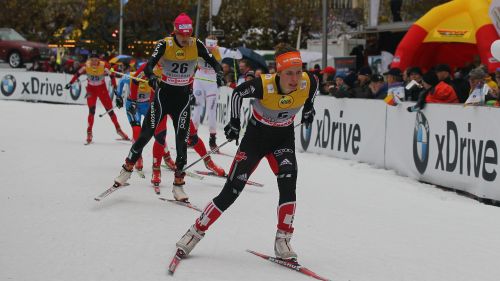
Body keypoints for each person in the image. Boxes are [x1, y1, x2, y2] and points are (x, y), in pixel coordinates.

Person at [175, 43, 318, 261]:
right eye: (289, 73)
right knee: (231, 191)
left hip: (283, 138)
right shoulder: (264, 85)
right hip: (255, 139)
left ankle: (283, 239)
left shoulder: (309, 81)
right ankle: (194, 232)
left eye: (298, 72)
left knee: (289, 184)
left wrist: (309, 108)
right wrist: (234, 122)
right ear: (278, 72)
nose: (295, 79)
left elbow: (313, 88)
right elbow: (237, 94)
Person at [112, 13, 224, 201]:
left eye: (188, 35)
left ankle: (178, 186)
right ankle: (126, 169)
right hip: (163, 98)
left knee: (182, 143)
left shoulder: (196, 44)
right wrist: (153, 78)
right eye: (182, 35)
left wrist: (219, 73)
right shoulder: (165, 44)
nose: (186, 39)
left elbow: (213, 61)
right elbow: (148, 67)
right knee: (145, 135)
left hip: (182, 101)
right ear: (175, 32)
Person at [65, 50, 128, 144]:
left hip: (102, 90)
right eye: (92, 60)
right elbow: (77, 74)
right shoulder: (86, 65)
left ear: (99, 59)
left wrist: (115, 87)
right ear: (90, 60)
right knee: (91, 111)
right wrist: (70, 83)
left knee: (110, 111)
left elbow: (112, 75)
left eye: (96, 60)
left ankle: (119, 130)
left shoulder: (104, 65)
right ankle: (89, 132)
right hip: (91, 90)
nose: (94, 62)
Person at [192, 36, 222, 150]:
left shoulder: (219, 51)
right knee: (197, 108)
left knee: (212, 111)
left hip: (212, 83)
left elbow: (237, 55)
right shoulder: (199, 50)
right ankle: (193, 137)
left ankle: (212, 139)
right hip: (199, 80)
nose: (209, 50)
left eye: (212, 47)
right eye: (208, 47)